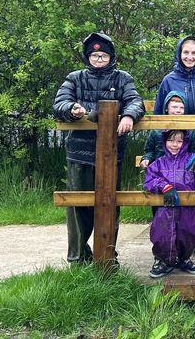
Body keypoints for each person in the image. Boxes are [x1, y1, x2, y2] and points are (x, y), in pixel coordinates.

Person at [53, 32, 145, 265]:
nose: (99, 60)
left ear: (111, 57)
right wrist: (71, 108)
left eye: (103, 56)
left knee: (110, 206)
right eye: (95, 56)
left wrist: (129, 116)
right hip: (80, 153)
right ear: (87, 57)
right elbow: (59, 102)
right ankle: (78, 257)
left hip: (111, 153)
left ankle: (108, 255)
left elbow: (136, 101)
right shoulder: (75, 78)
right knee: (78, 206)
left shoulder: (122, 78)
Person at [153, 35, 195, 257]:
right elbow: (159, 113)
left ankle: (193, 238)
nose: (190, 57)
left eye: (194, 53)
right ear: (179, 54)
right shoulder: (169, 79)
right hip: (174, 145)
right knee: (171, 191)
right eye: (186, 52)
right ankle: (167, 239)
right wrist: (157, 147)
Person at [139, 90, 195, 275]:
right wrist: (146, 159)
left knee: (187, 224)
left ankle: (184, 257)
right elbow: (149, 150)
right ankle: (162, 259)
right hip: (160, 176)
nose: (178, 110)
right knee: (161, 224)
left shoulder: (191, 130)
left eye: (181, 107)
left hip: (184, 177)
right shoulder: (156, 128)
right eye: (174, 106)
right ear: (167, 108)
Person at [143, 130, 195, 278]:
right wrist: (163, 186)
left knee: (188, 234)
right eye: (171, 140)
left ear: (185, 143)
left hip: (189, 209)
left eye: (179, 141)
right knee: (161, 234)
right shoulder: (159, 162)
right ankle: (162, 261)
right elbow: (149, 180)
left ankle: (184, 258)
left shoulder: (192, 160)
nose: (174, 145)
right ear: (164, 142)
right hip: (165, 209)